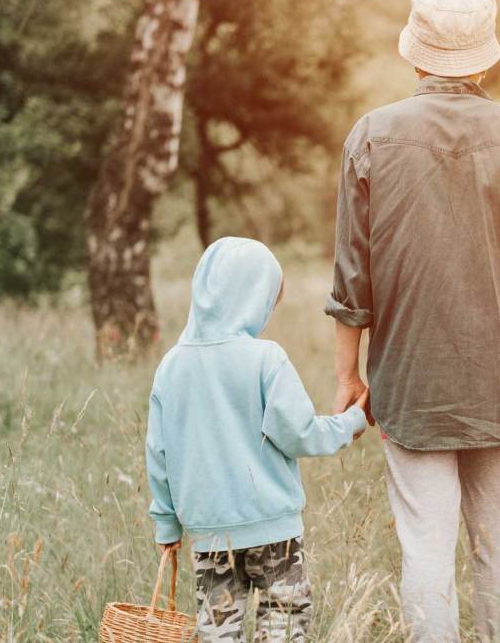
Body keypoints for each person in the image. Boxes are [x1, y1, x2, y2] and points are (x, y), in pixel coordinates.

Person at [325, 0, 500, 643]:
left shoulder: (371, 137)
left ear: (415, 53)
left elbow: (353, 282)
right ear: (484, 57)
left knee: (425, 548)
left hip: (410, 382)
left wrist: (349, 377)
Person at [146, 237, 369, 643]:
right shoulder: (266, 358)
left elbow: (158, 451)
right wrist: (351, 422)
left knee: (217, 631)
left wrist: (166, 523)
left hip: (210, 532)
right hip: (274, 532)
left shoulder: (171, 366)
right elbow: (298, 433)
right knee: (283, 623)